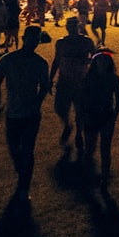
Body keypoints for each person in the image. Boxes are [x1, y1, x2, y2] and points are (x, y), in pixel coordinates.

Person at [0, 25, 51, 204]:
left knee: (27, 150)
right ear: (24, 38)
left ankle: (24, 185)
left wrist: (38, 102)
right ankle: (22, 173)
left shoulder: (40, 63)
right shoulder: (9, 59)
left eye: (36, 40)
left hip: (31, 114)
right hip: (13, 113)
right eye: (31, 39)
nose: (33, 43)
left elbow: (45, 85)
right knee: (14, 149)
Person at [49, 16, 95, 159]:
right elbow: (57, 60)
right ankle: (67, 124)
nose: (72, 28)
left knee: (80, 109)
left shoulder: (86, 41)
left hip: (81, 80)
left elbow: (95, 57)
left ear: (78, 27)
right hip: (64, 80)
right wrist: (50, 78)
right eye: (70, 26)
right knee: (60, 108)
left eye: (74, 25)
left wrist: (87, 63)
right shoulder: (61, 43)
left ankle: (79, 133)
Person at [81, 51, 119, 191]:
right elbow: (82, 99)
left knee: (105, 149)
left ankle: (104, 178)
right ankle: (88, 176)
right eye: (99, 61)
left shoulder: (113, 79)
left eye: (105, 61)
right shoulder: (88, 78)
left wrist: (113, 119)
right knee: (89, 149)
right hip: (91, 114)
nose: (102, 63)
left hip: (105, 115)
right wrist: (83, 115)